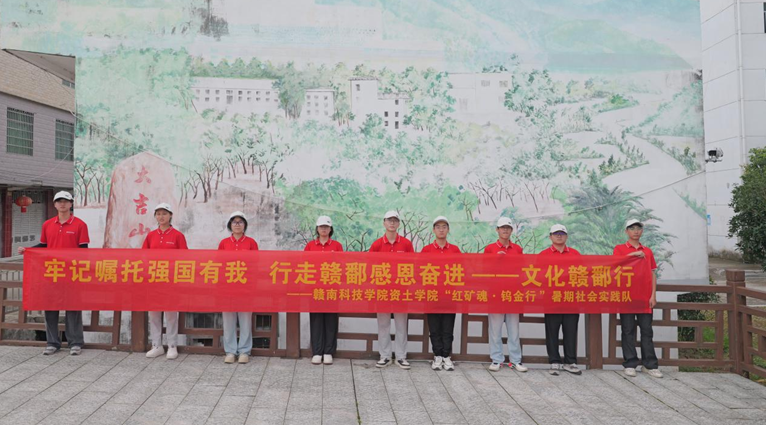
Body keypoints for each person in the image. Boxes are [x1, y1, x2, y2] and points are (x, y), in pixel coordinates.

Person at [18, 191, 89, 356]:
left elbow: (84, 250)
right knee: (50, 307)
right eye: (59, 201)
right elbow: (44, 246)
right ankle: (52, 343)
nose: (62, 204)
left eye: (65, 201)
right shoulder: (47, 224)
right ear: (55, 204)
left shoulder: (80, 225)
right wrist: (28, 250)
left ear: (71, 204)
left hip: (72, 274)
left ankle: (75, 343)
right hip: (51, 272)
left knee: (73, 308)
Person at [614, 219, 662, 378]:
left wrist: (653, 295)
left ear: (642, 231)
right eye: (632, 228)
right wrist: (633, 254)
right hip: (627, 297)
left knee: (647, 331)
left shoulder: (647, 251)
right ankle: (630, 363)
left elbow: (652, 273)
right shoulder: (620, 249)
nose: (636, 231)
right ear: (626, 231)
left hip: (644, 297)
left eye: (638, 228)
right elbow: (615, 264)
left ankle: (650, 365)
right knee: (627, 330)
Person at [142, 203, 188, 360]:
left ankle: (172, 345)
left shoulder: (177, 236)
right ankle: (157, 345)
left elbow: (184, 258)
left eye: (164, 213)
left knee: (171, 314)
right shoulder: (151, 236)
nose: (161, 217)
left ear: (170, 216)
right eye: (158, 214)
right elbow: (143, 257)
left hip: (171, 281)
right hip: (154, 279)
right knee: (154, 313)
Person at [369, 210, 414, 369]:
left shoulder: (406, 244)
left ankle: (401, 356)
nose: (392, 223)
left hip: (401, 291)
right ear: (384, 223)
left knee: (401, 324)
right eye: (389, 220)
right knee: (383, 325)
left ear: (399, 223)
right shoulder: (377, 244)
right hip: (382, 290)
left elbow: (412, 265)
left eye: (395, 220)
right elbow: (369, 266)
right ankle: (385, 356)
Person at [484, 217, 528, 373]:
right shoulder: (490, 249)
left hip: (513, 295)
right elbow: (484, 270)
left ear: (511, 231)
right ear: (497, 230)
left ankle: (515, 360)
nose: (505, 230)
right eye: (502, 228)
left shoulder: (517, 249)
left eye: (508, 228)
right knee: (495, 330)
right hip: (496, 295)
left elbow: (522, 269)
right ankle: (497, 359)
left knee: (514, 330)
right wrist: (496, 259)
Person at [539, 224, 582, 376]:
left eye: (562, 233)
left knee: (571, 331)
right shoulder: (543, 255)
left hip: (571, 299)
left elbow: (583, 275)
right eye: (556, 233)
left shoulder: (575, 254)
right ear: (550, 237)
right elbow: (538, 276)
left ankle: (570, 362)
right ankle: (554, 361)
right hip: (552, 299)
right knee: (552, 332)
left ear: (567, 236)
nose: (559, 236)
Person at [218, 211, 259, 364]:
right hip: (227, 287)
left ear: (244, 225)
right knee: (228, 319)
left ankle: (244, 351)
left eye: (240, 222)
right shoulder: (224, 243)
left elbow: (256, 264)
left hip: (245, 287)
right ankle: (230, 351)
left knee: (245, 319)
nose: (237, 224)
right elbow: (219, 264)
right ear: (230, 225)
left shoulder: (251, 243)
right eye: (234, 222)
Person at [421, 216, 461, 371]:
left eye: (444, 226)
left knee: (447, 328)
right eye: (438, 227)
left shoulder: (454, 250)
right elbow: (419, 271)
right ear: (433, 230)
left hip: (449, 295)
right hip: (432, 295)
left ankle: (446, 356)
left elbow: (461, 270)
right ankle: (437, 355)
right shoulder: (427, 250)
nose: (441, 229)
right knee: (434, 329)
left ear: (448, 230)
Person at [304, 215, 344, 366]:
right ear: (317, 229)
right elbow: (304, 265)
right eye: (321, 227)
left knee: (331, 320)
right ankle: (317, 352)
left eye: (326, 227)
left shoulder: (337, 246)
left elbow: (342, 265)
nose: (324, 229)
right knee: (316, 320)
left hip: (332, 288)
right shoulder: (310, 246)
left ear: (330, 229)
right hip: (315, 288)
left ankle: (328, 352)